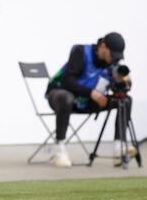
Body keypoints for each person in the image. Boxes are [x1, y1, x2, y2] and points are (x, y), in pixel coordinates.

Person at [46, 32, 135, 168]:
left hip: (88, 102)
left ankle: (119, 146)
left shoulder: (113, 63)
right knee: (66, 97)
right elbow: (67, 81)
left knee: (126, 100)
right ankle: (59, 147)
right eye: (112, 55)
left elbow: (118, 88)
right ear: (103, 46)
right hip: (61, 97)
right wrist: (91, 93)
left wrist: (124, 81)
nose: (113, 59)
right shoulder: (80, 52)